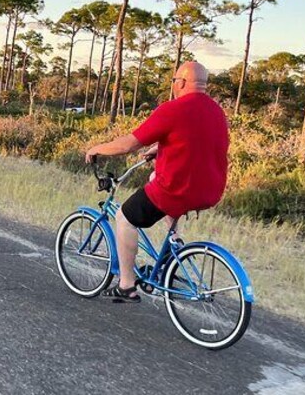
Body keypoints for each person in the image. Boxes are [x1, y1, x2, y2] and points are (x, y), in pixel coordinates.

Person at [84, 61, 229, 303]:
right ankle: (175, 245)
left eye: (174, 81)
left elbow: (128, 145)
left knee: (125, 217)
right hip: (210, 191)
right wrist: (160, 148)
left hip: (176, 191)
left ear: (181, 82)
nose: (173, 85)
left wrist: (97, 148)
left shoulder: (172, 109)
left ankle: (126, 285)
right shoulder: (216, 111)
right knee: (153, 177)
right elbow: (195, 142)